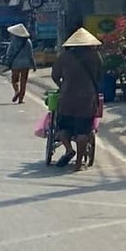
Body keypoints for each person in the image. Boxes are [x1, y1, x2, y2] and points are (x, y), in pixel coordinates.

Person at [50, 28, 104, 170]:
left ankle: (68, 149)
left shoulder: (64, 57)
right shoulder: (95, 56)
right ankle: (79, 163)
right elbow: (99, 76)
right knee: (83, 131)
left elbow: (55, 76)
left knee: (63, 127)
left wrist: (63, 86)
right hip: (87, 99)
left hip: (67, 97)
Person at [5, 23, 35, 103]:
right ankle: (21, 99)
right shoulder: (28, 42)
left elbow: (9, 53)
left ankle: (16, 91)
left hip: (15, 64)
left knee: (14, 80)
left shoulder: (14, 41)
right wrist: (34, 65)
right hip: (26, 64)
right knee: (23, 81)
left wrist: (8, 62)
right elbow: (30, 54)